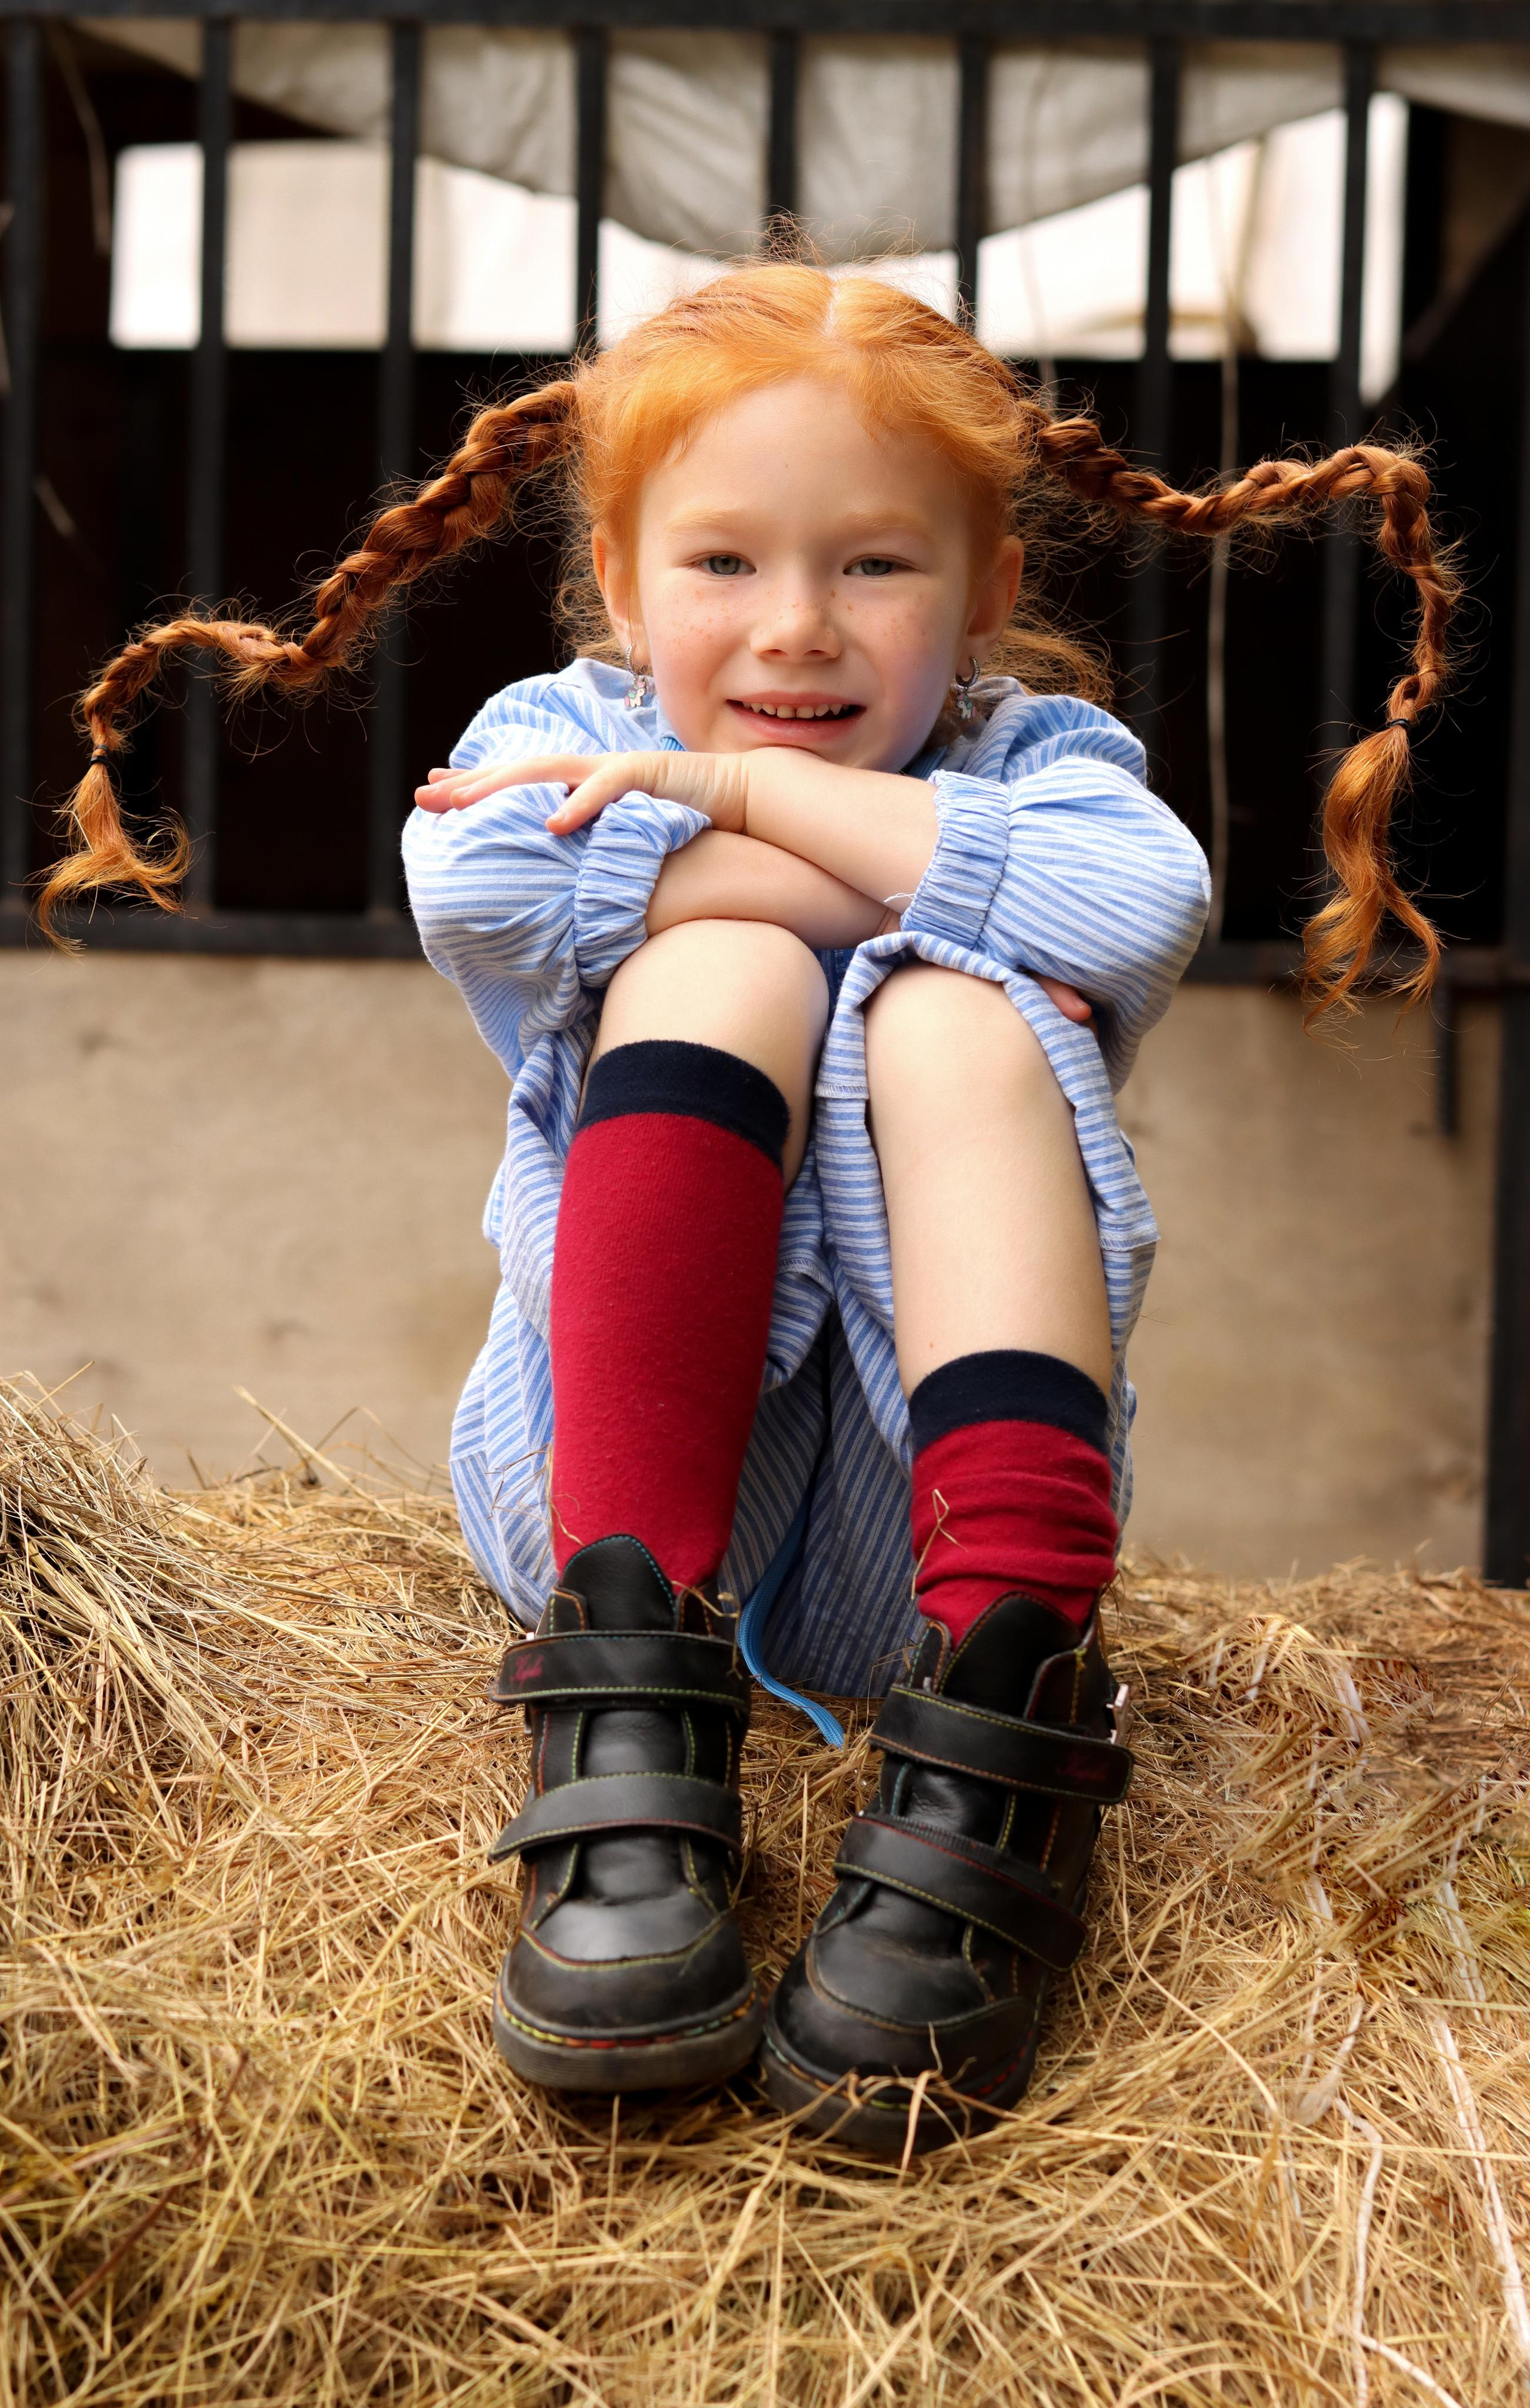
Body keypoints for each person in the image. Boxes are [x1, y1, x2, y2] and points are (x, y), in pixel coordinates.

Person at [47, 264, 1456, 2158]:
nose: (798, 630)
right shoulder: (558, 718)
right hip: (597, 1501)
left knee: (952, 1024)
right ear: (622, 583)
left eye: (875, 567)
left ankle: (1008, 1732)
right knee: (731, 987)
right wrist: (900, 887)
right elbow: (487, 888)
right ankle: (626, 1726)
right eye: (724, 566)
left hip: (918, 1540)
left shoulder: (1045, 763)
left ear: (987, 598)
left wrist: (718, 799)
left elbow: (1135, 905)